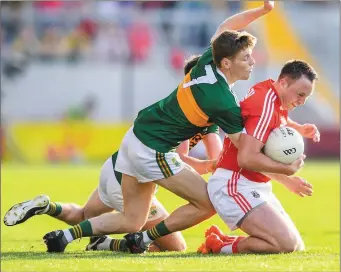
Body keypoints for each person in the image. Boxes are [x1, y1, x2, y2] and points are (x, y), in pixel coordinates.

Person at [42, 1, 303, 254]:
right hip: (153, 150)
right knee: (208, 203)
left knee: (132, 220)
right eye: (246, 57)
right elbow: (246, 153)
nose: (252, 61)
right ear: (227, 63)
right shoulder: (223, 102)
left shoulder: (208, 61)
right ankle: (144, 239)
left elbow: (228, 24)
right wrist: (284, 172)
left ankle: (64, 237)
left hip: (135, 136)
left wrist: (263, 10)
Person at [3, 58, 221, 253]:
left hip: (117, 167)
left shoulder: (198, 111)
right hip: (133, 175)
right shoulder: (188, 113)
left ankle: (48, 206)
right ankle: (98, 242)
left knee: (85, 215)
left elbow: (205, 156)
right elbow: (182, 160)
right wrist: (211, 167)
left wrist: (213, 165)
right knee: (172, 245)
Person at [197, 60, 319, 255]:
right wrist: (287, 171)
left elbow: (278, 117)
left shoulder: (271, 92)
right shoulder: (265, 106)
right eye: (300, 94)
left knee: (295, 246)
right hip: (234, 184)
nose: (302, 101)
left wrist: (298, 128)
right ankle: (220, 248)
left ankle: (222, 240)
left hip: (255, 184)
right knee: (284, 245)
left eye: (306, 97)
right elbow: (245, 159)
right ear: (284, 82)